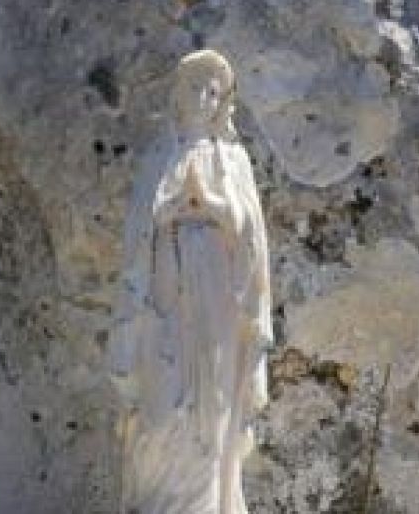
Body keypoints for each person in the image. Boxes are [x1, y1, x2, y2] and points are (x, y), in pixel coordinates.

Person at [114, 50, 271, 514]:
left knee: (213, 410)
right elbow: (139, 227)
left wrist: (219, 210)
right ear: (176, 95)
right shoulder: (161, 157)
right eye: (193, 88)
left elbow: (253, 240)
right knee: (160, 409)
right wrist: (173, 210)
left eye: (212, 91)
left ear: (222, 102)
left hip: (217, 300)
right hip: (164, 298)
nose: (202, 98)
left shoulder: (235, 160)